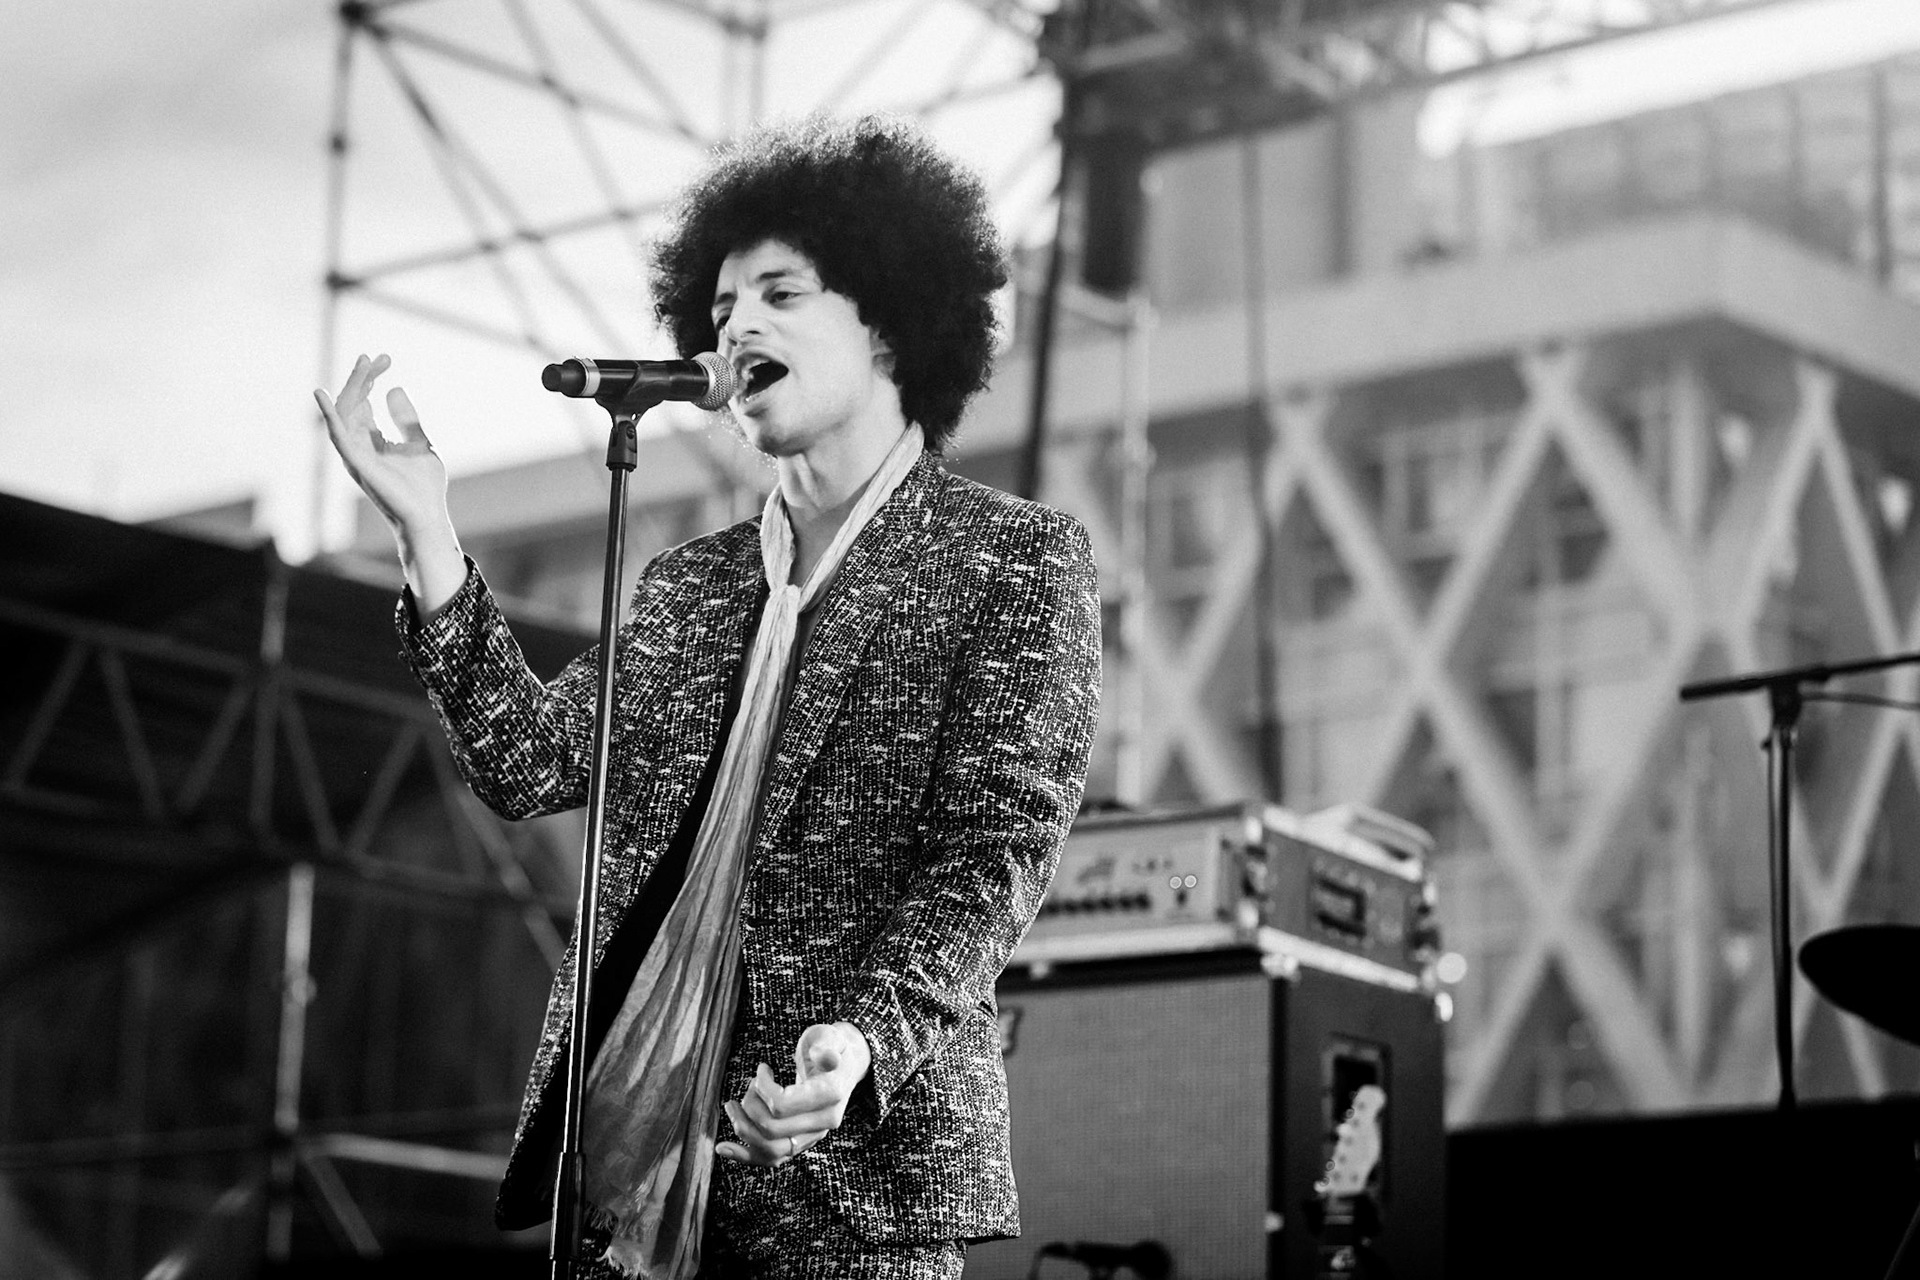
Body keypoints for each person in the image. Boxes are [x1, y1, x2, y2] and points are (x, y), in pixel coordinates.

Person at [314, 114, 1102, 1280]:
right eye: (723, 307)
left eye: (781, 294)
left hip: (851, 1188)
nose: (739, 326)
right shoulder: (696, 585)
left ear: (889, 316)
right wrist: (429, 534)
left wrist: (863, 1042)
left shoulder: (1012, 560)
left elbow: (992, 855)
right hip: (633, 1169)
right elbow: (529, 762)